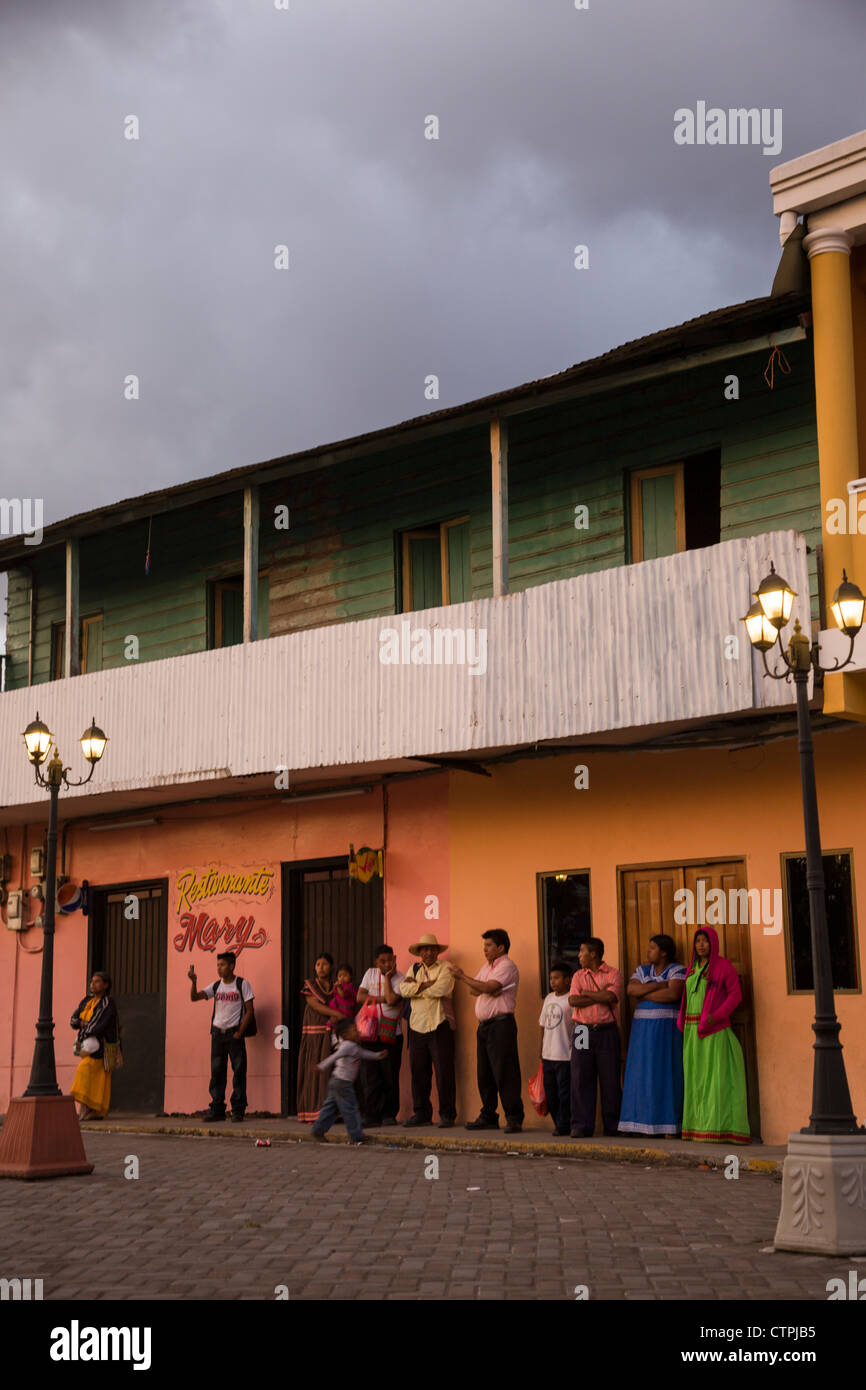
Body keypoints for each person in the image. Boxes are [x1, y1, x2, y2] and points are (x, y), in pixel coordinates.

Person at [678, 926, 750, 1144]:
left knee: (714, 1080)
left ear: (713, 943)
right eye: (697, 941)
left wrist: (715, 1017)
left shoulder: (723, 967)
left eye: (705, 941)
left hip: (714, 1031)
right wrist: (682, 1020)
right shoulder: (692, 968)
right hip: (692, 1032)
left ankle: (718, 1129)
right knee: (695, 1080)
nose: (701, 945)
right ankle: (696, 1128)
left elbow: (735, 996)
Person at [452, 929, 524, 1134]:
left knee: (505, 1071)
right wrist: (486, 988)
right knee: (485, 1073)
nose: (484, 949)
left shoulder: (507, 965)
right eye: (484, 945)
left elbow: (485, 987)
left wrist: (464, 977)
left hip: (501, 1024)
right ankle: (489, 1115)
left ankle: (514, 1117)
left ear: (500, 947)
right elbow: (475, 989)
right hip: (485, 1026)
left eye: (489, 945)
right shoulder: (487, 966)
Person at [618, 934, 686, 1136]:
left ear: (664, 952)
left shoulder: (677, 970)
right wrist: (658, 985)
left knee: (665, 1074)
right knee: (641, 1073)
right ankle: (638, 1124)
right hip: (642, 1032)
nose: (648, 951)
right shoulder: (642, 970)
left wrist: (644, 993)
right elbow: (631, 990)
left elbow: (673, 994)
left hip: (666, 1032)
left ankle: (667, 1125)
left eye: (653, 948)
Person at [399, 933, 457, 1128]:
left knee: (444, 1072)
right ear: (420, 953)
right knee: (419, 1073)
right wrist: (425, 985)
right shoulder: (413, 969)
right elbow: (403, 990)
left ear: (437, 952)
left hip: (439, 1025)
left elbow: (442, 989)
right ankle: (422, 1114)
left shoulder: (446, 968)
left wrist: (416, 989)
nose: (428, 952)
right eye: (425, 949)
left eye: (432, 949)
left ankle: (447, 1114)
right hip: (416, 1026)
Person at [188, 952, 255, 1122]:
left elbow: (250, 1011)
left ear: (232, 966)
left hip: (234, 1034)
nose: (219, 968)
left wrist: (239, 1032)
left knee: (239, 1072)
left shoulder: (242, 984)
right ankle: (217, 1110)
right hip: (217, 1034)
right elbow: (194, 998)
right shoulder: (216, 986)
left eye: (223, 965)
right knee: (217, 1073)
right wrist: (194, 982)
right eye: (218, 965)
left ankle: (238, 1110)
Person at [568, 937, 623, 1137]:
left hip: (606, 1029)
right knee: (580, 1077)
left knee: (610, 1078)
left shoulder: (613, 973)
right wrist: (598, 994)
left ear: (593, 954)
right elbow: (573, 1000)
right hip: (582, 1029)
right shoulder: (577, 976)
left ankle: (613, 1125)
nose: (579, 956)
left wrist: (587, 995)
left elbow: (611, 997)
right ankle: (581, 1125)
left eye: (582, 951)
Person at [311, 1017, 387, 1144]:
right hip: (343, 1083)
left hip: (336, 1081)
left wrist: (378, 1055)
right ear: (345, 1034)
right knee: (351, 1109)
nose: (358, 1032)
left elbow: (364, 1054)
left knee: (331, 1109)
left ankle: (318, 1130)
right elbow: (335, 1056)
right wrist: (321, 1066)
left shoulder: (352, 1046)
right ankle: (357, 1136)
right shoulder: (347, 1046)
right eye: (354, 1030)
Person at [356, 944, 405, 1127]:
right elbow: (359, 997)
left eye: (389, 960)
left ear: (395, 959)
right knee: (370, 1075)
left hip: (392, 1033)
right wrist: (382, 999)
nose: (386, 964)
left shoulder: (401, 978)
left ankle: (389, 1114)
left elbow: (393, 1000)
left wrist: (387, 978)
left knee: (389, 1074)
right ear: (376, 962)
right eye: (382, 961)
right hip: (369, 1032)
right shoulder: (369, 973)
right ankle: (371, 1114)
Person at [295, 952, 344, 1123]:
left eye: (324, 964)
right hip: (315, 1034)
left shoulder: (336, 985)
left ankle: (335, 1112)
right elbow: (314, 1004)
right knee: (315, 1071)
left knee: (334, 1071)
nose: (320, 968)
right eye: (317, 964)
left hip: (333, 1032)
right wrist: (335, 1013)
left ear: (331, 966)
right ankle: (313, 1112)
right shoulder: (310, 986)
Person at [70, 972, 119, 1120]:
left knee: (87, 1072)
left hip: (103, 1047)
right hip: (88, 1044)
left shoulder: (107, 1003)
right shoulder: (86, 1000)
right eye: (92, 981)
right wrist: (82, 1025)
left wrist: (83, 1026)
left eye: (97, 981)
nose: (93, 984)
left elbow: (98, 1025)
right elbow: (73, 1020)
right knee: (90, 1076)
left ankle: (89, 1111)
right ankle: (88, 1111)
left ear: (106, 985)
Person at [539, 959, 575, 1136]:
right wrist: (541, 1049)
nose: (553, 981)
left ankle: (564, 1125)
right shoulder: (549, 998)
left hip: (565, 1056)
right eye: (551, 978)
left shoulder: (572, 999)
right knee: (551, 1093)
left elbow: (579, 1026)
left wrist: (579, 1050)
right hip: (548, 1055)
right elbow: (542, 1025)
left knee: (564, 1093)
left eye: (557, 978)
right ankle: (558, 1122)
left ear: (567, 980)